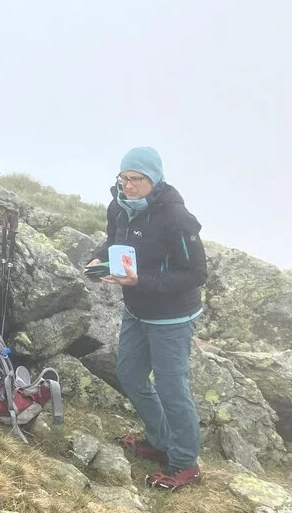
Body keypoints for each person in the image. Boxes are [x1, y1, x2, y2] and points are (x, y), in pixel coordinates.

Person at [87, 147, 206, 491]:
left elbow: (196, 273)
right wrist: (99, 258)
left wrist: (142, 281)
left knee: (172, 388)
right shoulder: (119, 207)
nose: (127, 185)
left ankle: (185, 463)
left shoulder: (177, 218)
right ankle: (159, 441)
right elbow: (115, 240)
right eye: (123, 177)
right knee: (129, 373)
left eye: (135, 179)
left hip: (172, 317)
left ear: (153, 180)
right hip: (137, 310)